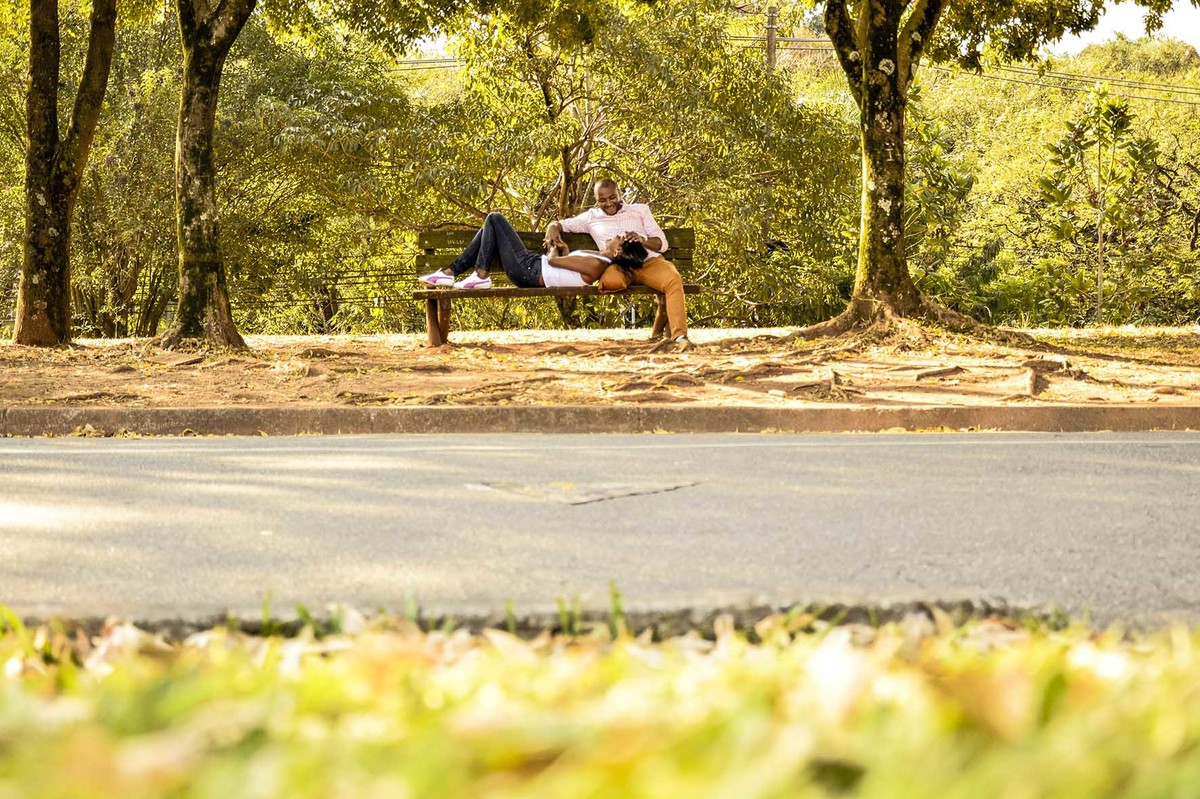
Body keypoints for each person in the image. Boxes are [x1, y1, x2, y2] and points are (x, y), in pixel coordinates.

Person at [544, 179, 691, 350]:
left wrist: (642, 240)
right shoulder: (590, 217)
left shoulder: (640, 210)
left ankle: (680, 336)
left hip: (648, 262)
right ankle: (660, 326)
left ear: (619, 193)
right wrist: (552, 226)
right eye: (602, 200)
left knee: (673, 279)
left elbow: (662, 243)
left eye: (613, 197)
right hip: (619, 266)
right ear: (596, 200)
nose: (608, 204)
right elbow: (561, 224)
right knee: (609, 282)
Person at [418, 212, 623, 289]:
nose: (616, 236)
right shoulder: (597, 259)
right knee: (488, 228)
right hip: (531, 268)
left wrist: (552, 248)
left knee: (494, 218)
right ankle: (450, 272)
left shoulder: (597, 264)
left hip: (529, 271)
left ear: (618, 252)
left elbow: (553, 262)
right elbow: (567, 270)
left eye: (619, 239)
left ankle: (479, 275)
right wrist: (565, 249)